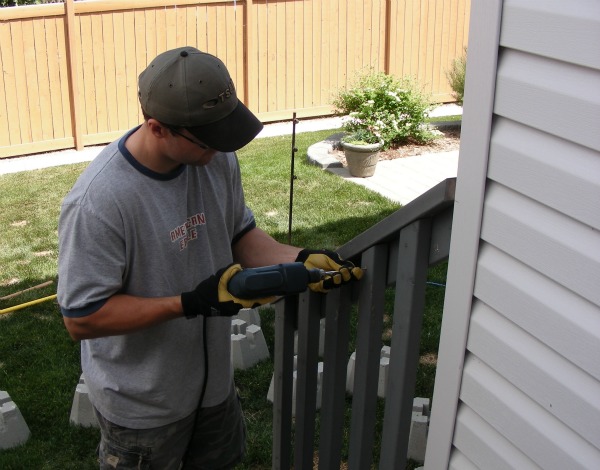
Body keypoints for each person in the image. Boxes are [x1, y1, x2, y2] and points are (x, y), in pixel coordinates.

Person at [57, 46, 362, 470]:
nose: (218, 152)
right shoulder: (99, 202)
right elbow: (82, 317)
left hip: (215, 389)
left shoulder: (214, 158)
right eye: (206, 141)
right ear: (158, 128)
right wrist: (190, 303)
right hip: (144, 410)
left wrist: (303, 259)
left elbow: (241, 235)